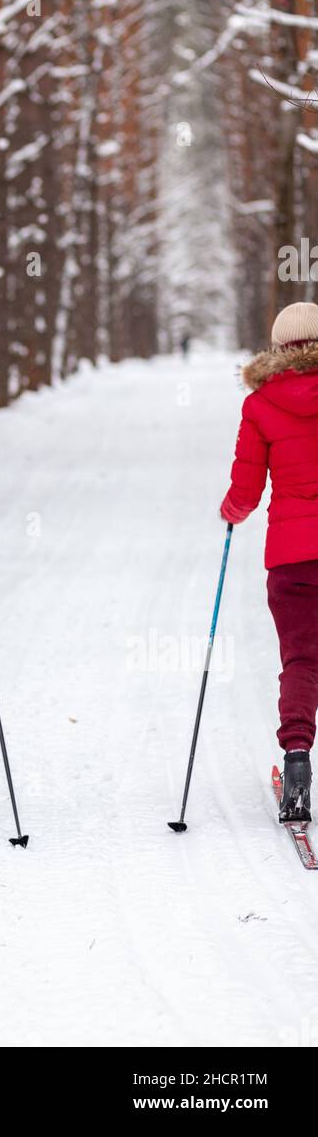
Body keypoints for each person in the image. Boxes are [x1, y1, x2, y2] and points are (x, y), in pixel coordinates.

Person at [220, 301, 318, 823]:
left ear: (279, 348)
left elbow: (246, 488)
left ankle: (298, 761)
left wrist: (230, 512)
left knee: (301, 661)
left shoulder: (261, 405)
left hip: (293, 559)